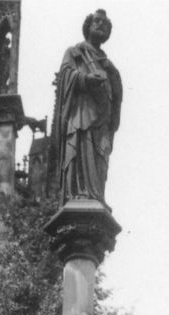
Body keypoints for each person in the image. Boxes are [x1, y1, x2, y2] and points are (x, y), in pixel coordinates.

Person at [54, 9, 122, 207]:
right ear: (88, 26)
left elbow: (116, 95)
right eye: (97, 22)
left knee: (100, 157)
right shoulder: (75, 53)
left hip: (102, 120)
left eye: (105, 24)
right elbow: (65, 76)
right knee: (80, 153)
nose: (101, 25)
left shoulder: (108, 65)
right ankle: (78, 194)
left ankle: (97, 196)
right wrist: (85, 79)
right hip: (81, 116)